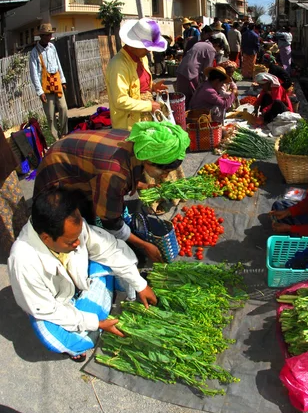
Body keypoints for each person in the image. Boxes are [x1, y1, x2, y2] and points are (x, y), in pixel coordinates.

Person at [8, 187, 158, 361]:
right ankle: (95, 319)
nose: (78, 243)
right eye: (71, 241)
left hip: (80, 280)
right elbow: (49, 310)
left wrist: (141, 285)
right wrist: (96, 323)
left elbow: (108, 249)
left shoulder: (72, 228)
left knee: (119, 260)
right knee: (57, 339)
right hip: (56, 304)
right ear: (46, 238)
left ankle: (100, 305)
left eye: (79, 235)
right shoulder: (23, 262)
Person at [33, 123, 190, 263]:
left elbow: (122, 171)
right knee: (62, 221)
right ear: (149, 160)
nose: (164, 177)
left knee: (91, 210)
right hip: (59, 166)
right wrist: (144, 245)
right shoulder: (115, 173)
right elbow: (111, 222)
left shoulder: (137, 142)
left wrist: (141, 185)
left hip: (77, 152)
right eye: (164, 171)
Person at [106, 18, 169, 131]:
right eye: (146, 47)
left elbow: (138, 85)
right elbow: (120, 100)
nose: (149, 51)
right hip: (129, 125)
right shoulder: (118, 64)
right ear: (133, 45)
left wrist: (152, 87)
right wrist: (150, 106)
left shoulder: (142, 58)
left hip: (146, 118)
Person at [29, 23, 68, 140]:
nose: (50, 36)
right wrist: (40, 92)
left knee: (63, 108)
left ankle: (64, 133)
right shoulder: (34, 52)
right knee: (50, 116)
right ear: (41, 36)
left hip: (57, 82)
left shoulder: (52, 47)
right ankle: (56, 138)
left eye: (50, 34)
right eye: (47, 35)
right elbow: (34, 73)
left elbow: (58, 63)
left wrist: (63, 80)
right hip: (45, 86)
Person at [0, 125, 29, 253]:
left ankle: (27, 244)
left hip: (3, 165)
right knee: (5, 215)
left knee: (16, 206)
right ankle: (16, 250)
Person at [176, 27, 219, 107]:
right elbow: (208, 69)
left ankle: (182, 114)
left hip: (181, 70)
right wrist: (208, 84)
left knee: (182, 97)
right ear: (217, 45)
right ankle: (191, 114)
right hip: (191, 73)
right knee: (194, 95)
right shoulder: (211, 49)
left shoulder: (199, 43)